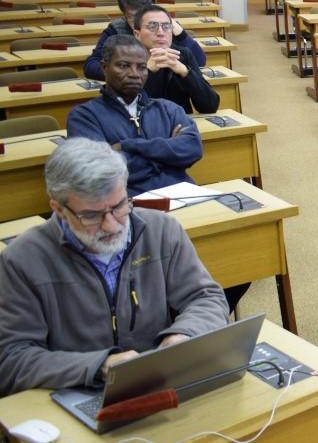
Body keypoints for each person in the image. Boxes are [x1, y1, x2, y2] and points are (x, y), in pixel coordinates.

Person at [0, 138, 229, 397]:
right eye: (91, 215)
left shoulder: (162, 231)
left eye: (119, 206)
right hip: (76, 391)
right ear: (59, 209)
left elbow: (206, 298)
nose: (111, 226)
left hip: (157, 383)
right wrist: (99, 365)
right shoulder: (22, 260)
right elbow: (11, 359)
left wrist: (184, 335)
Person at [67, 35, 203, 197]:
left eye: (141, 67)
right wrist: (169, 157)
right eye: (124, 66)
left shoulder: (168, 109)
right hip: (127, 203)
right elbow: (101, 171)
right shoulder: (84, 116)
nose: (134, 74)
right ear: (104, 68)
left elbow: (193, 150)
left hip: (185, 196)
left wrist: (127, 146)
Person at [83, 0, 207, 80]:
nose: (138, 21)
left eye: (142, 15)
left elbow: (200, 61)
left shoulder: (164, 27)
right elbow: (91, 66)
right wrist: (132, 71)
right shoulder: (115, 30)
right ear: (124, 15)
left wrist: (181, 35)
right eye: (132, 17)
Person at [129, 4, 220, 114]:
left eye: (166, 26)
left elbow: (210, 106)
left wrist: (185, 72)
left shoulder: (182, 55)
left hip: (181, 122)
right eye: (152, 27)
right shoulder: (127, 60)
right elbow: (127, 108)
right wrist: (148, 72)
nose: (161, 33)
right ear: (137, 34)